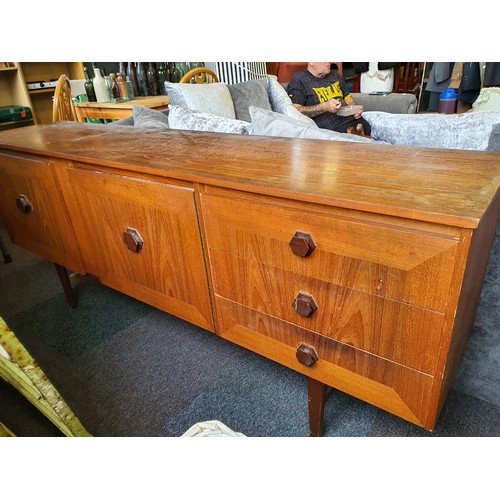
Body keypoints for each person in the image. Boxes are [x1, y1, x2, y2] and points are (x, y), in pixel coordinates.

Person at [287, 62, 371, 136]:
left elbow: (347, 97)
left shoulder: (335, 75)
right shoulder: (299, 79)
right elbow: (295, 110)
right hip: (333, 131)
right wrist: (324, 107)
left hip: (355, 122)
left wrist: (355, 109)